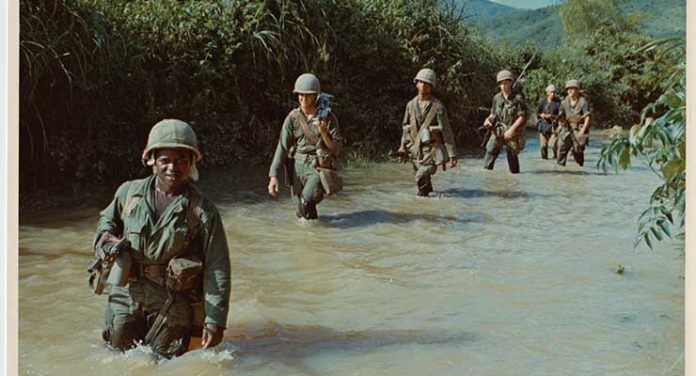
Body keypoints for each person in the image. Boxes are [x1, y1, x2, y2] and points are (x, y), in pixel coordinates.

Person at [92, 119, 231, 358]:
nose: (172, 168)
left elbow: (217, 267)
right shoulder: (128, 193)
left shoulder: (203, 211)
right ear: (152, 161)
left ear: (191, 164)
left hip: (172, 301)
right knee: (116, 358)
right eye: (165, 160)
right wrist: (106, 240)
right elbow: (107, 221)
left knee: (167, 363)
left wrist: (214, 319)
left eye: (181, 161)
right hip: (127, 293)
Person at [268, 73, 343, 219]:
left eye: (308, 95)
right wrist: (273, 175)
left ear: (316, 96)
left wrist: (323, 132)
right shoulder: (293, 118)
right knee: (302, 212)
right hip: (297, 169)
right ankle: (312, 236)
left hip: (317, 168)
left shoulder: (328, 118)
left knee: (306, 201)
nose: (303, 98)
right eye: (300, 95)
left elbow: (337, 149)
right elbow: (282, 147)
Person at [397, 68, 457, 196]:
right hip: (414, 148)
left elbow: (447, 131)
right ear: (416, 83)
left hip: (431, 150)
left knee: (420, 175)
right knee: (423, 184)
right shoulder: (410, 105)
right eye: (421, 82)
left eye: (427, 83)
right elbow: (405, 127)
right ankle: (428, 204)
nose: (423, 86)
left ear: (431, 86)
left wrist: (452, 155)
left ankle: (422, 201)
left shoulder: (438, 107)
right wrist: (402, 147)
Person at [482, 70, 528, 174]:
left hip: (512, 131)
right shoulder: (497, 98)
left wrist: (511, 130)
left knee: (512, 159)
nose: (503, 85)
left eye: (506, 82)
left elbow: (522, 117)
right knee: (490, 152)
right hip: (498, 130)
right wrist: (487, 120)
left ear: (511, 82)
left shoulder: (518, 99)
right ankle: (486, 178)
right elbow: (493, 113)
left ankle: (515, 181)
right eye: (501, 83)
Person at [556, 79, 591, 166]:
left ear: (578, 90)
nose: (570, 91)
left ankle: (580, 168)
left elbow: (588, 117)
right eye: (568, 89)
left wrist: (582, 131)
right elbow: (560, 115)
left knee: (577, 151)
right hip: (567, 129)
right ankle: (560, 170)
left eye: (572, 88)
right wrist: (560, 122)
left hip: (578, 129)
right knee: (561, 148)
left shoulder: (583, 102)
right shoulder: (564, 102)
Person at [536, 84, 561, 160]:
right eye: (551, 92)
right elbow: (537, 112)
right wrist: (542, 115)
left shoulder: (558, 102)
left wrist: (552, 116)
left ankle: (555, 157)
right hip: (543, 126)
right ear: (547, 93)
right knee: (543, 146)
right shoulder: (542, 101)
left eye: (554, 92)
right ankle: (544, 160)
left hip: (554, 127)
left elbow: (561, 115)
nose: (553, 94)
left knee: (553, 145)